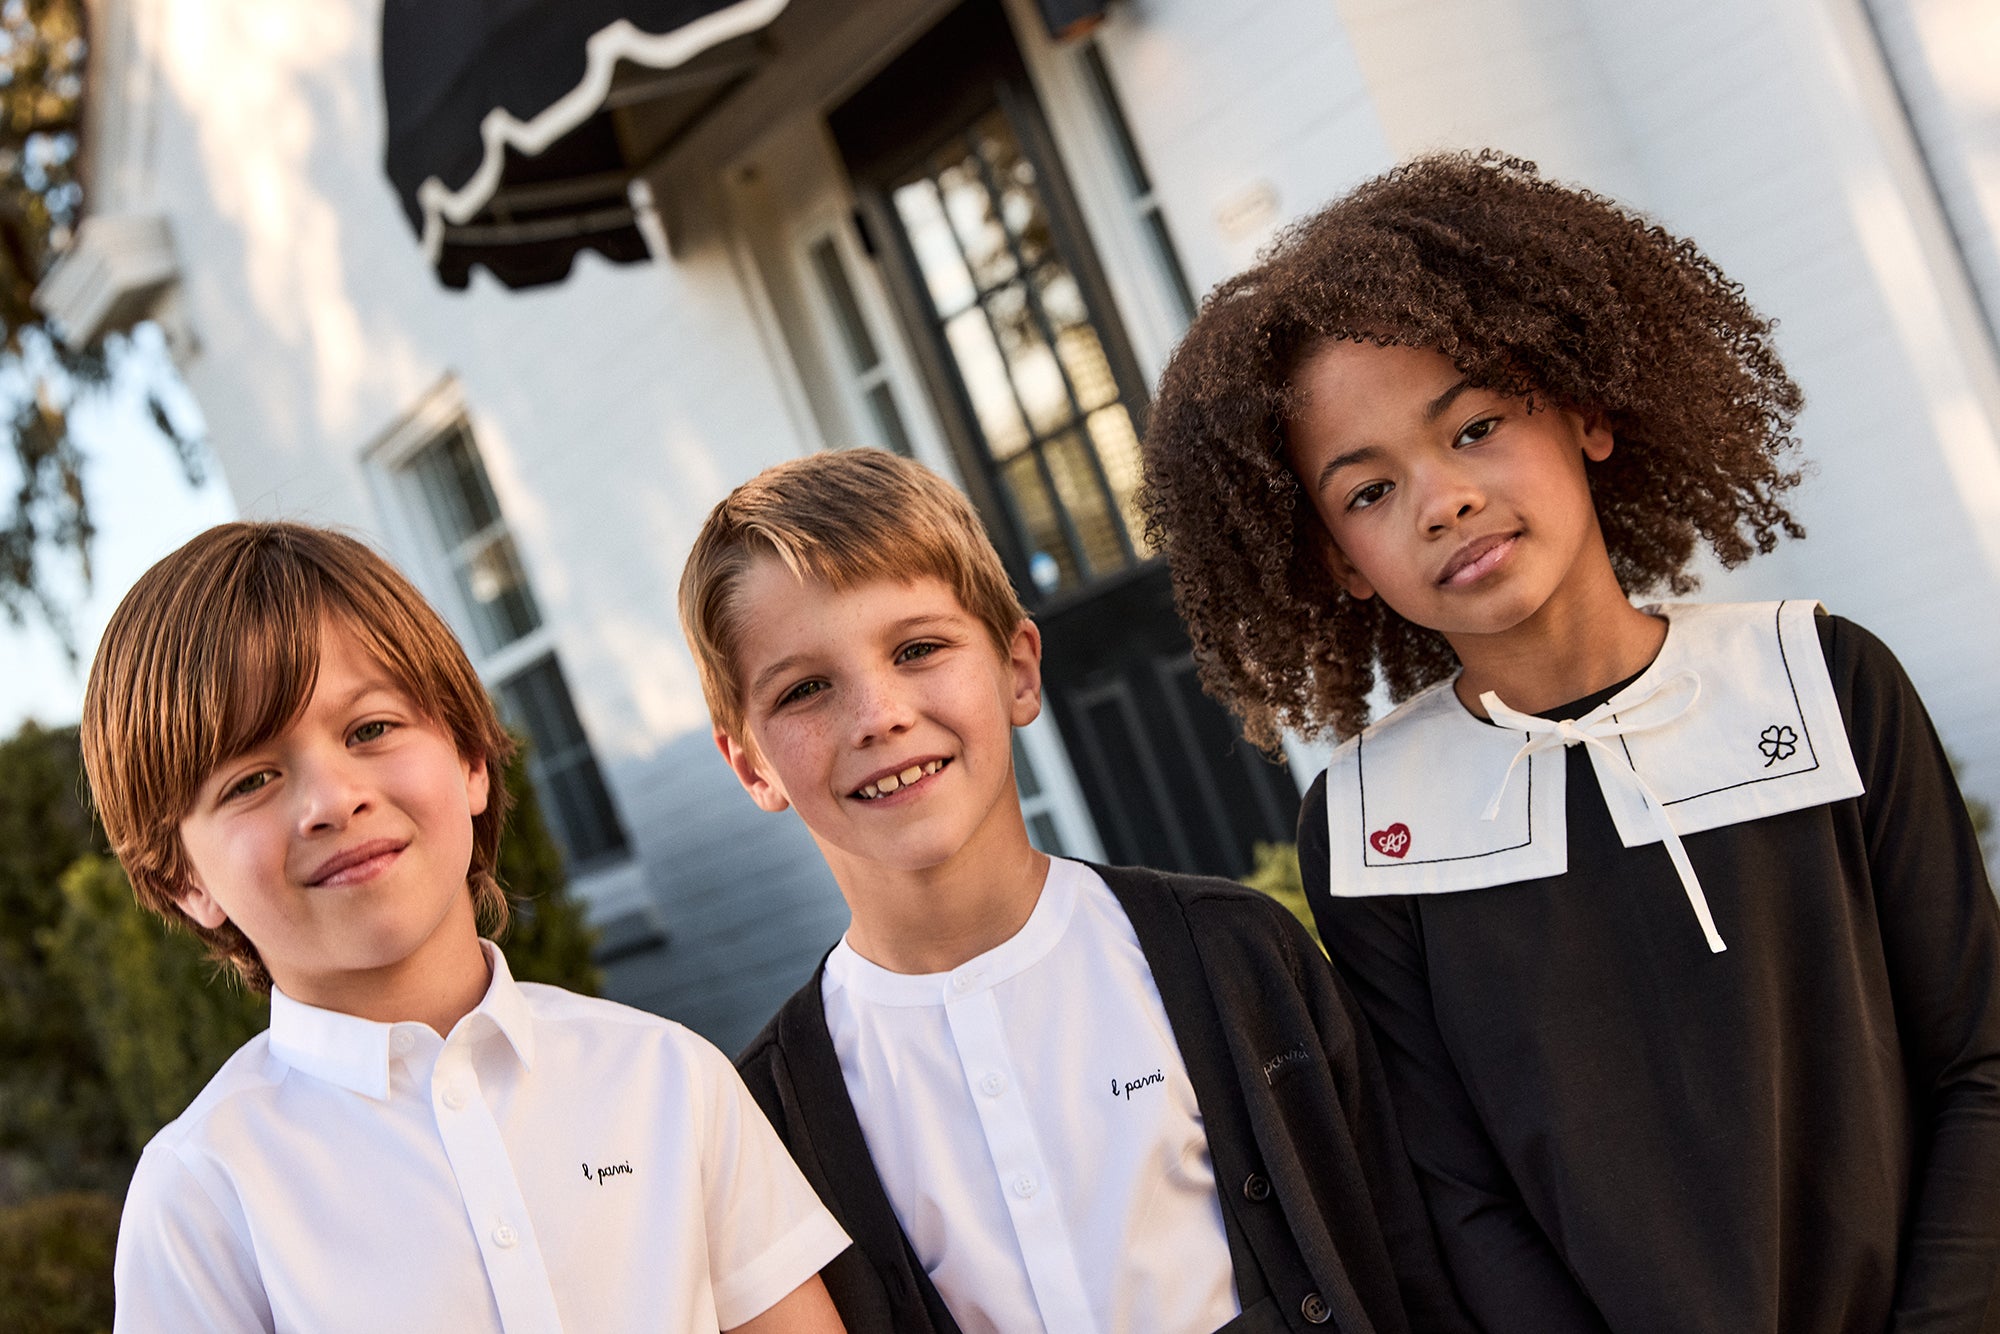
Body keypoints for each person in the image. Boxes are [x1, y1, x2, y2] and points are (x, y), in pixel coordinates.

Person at [1139, 149, 2000, 1332]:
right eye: (1367, 492)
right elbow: (1459, 1201)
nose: (1439, 498)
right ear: (1335, 559)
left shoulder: (1820, 678)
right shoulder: (1366, 831)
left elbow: (1980, 1063)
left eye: (1476, 425)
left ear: (1584, 408)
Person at [678, 448, 1472, 1333]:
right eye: (806, 689)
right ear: (750, 763)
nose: (880, 716)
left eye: (918, 649)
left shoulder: (1238, 957)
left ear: (1018, 669)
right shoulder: (764, 1123)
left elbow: (1411, 1261)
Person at [83, 522, 851, 1333]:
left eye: (370, 729)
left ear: (472, 762)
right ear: (182, 877)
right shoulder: (202, 1192)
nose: (333, 800)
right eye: (252, 778)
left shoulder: (669, 1077)